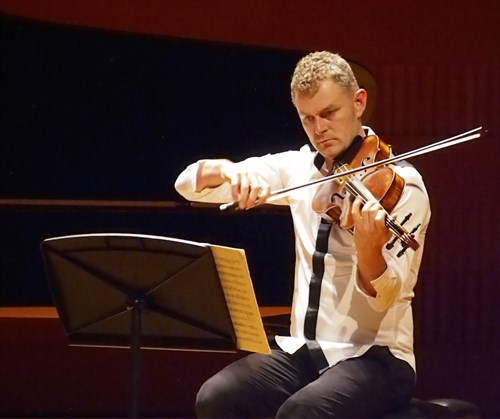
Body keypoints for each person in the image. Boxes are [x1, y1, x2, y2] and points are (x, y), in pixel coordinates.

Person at [174, 51, 431, 418]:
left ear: (359, 103)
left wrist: (369, 251)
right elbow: (187, 184)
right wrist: (228, 171)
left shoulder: (403, 186)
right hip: (303, 352)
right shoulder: (299, 169)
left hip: (376, 357)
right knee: (217, 396)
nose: (319, 129)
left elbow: (386, 296)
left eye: (329, 114)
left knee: (302, 413)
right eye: (307, 118)